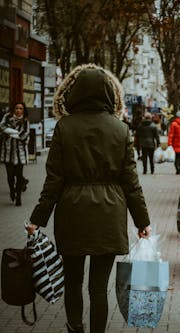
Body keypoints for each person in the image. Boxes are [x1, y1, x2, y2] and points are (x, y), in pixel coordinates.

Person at [25, 64, 152, 333]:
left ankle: (75, 329)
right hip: (108, 214)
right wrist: (142, 221)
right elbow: (131, 182)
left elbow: (54, 180)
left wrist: (38, 219)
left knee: (73, 282)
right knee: (98, 288)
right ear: (108, 93)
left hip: (72, 213)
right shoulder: (120, 129)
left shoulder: (64, 127)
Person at [0, 101, 30, 206]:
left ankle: (18, 198)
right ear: (14, 109)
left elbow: (25, 135)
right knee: (10, 176)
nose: (18, 110)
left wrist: (10, 132)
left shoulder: (25, 121)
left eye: (21, 108)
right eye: (17, 108)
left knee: (19, 175)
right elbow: (2, 127)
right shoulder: (7, 117)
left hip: (20, 154)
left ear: (23, 110)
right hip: (8, 152)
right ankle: (12, 191)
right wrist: (16, 133)